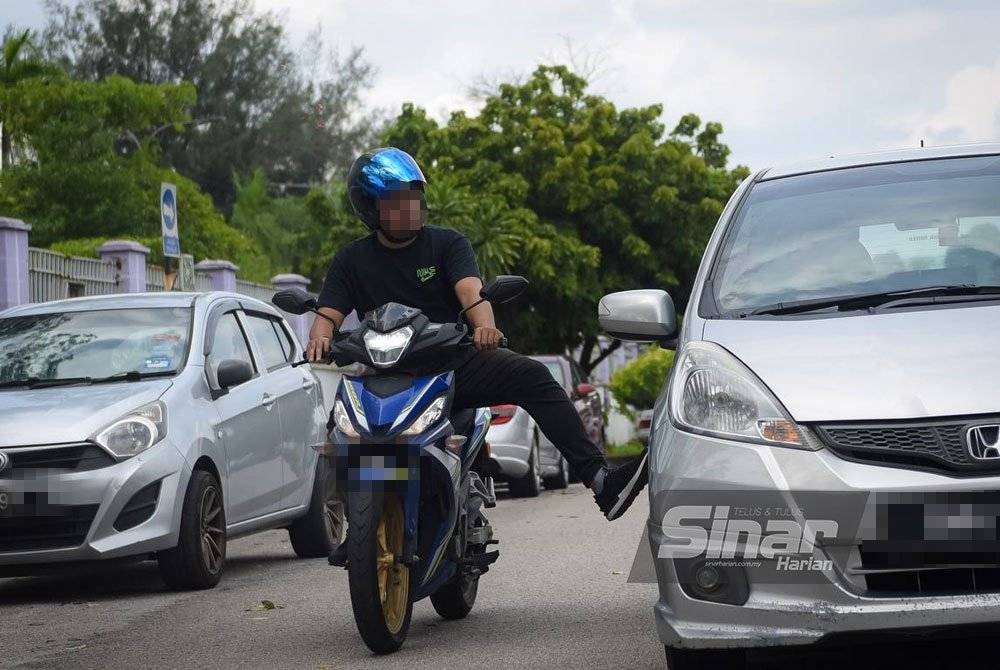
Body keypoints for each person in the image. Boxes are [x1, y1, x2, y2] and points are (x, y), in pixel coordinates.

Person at [307, 147, 649, 524]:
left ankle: (602, 482)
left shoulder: (448, 244)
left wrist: (485, 326)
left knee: (535, 376)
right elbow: (327, 314)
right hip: (383, 375)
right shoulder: (351, 259)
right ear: (370, 207)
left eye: (414, 197)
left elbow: (471, 293)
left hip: (452, 365)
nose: (410, 207)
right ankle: (341, 516)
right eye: (397, 200)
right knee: (340, 428)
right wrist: (320, 340)